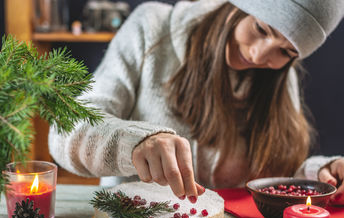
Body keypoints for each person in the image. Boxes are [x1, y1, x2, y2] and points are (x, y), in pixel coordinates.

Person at [48, 0, 344, 205]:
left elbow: (280, 176)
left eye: (286, 52)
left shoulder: (278, 78)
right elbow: (68, 127)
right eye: (262, 30)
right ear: (238, 7)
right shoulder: (151, 29)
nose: (259, 56)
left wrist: (319, 174)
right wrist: (135, 143)